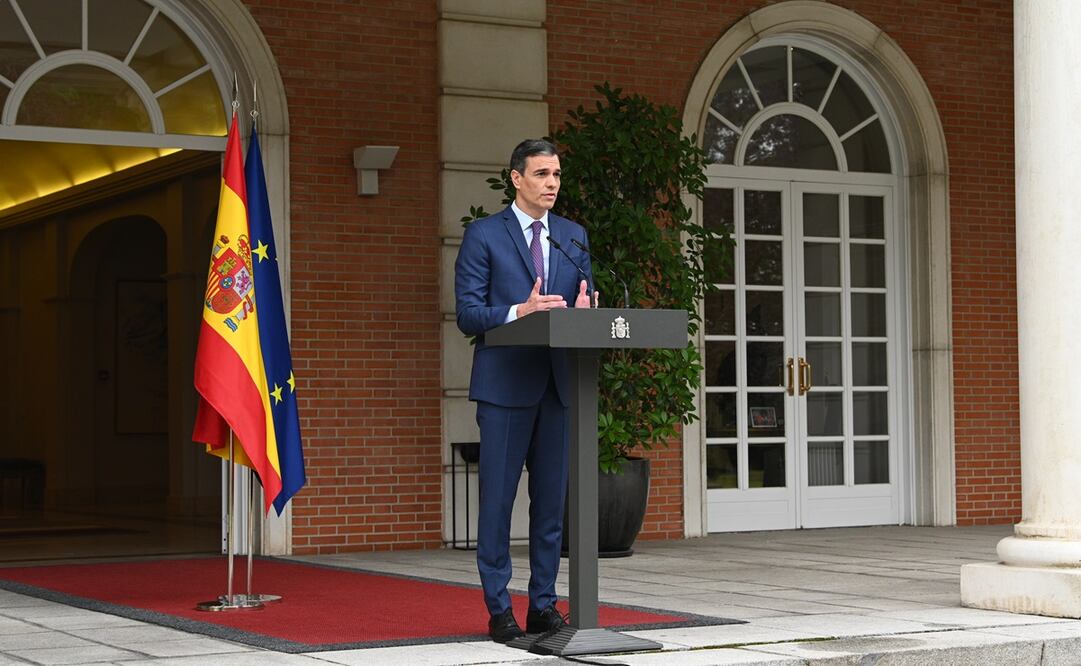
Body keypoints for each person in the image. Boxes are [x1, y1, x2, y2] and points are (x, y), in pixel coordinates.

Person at [454, 138, 596, 642]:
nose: (552, 184)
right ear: (516, 178)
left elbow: (583, 298)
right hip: (505, 386)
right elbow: (468, 315)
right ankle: (498, 609)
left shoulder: (573, 237)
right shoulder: (484, 236)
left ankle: (543, 604)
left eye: (556, 174)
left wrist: (585, 314)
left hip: (558, 386)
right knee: (497, 502)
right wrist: (521, 310)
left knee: (550, 506)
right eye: (541, 174)